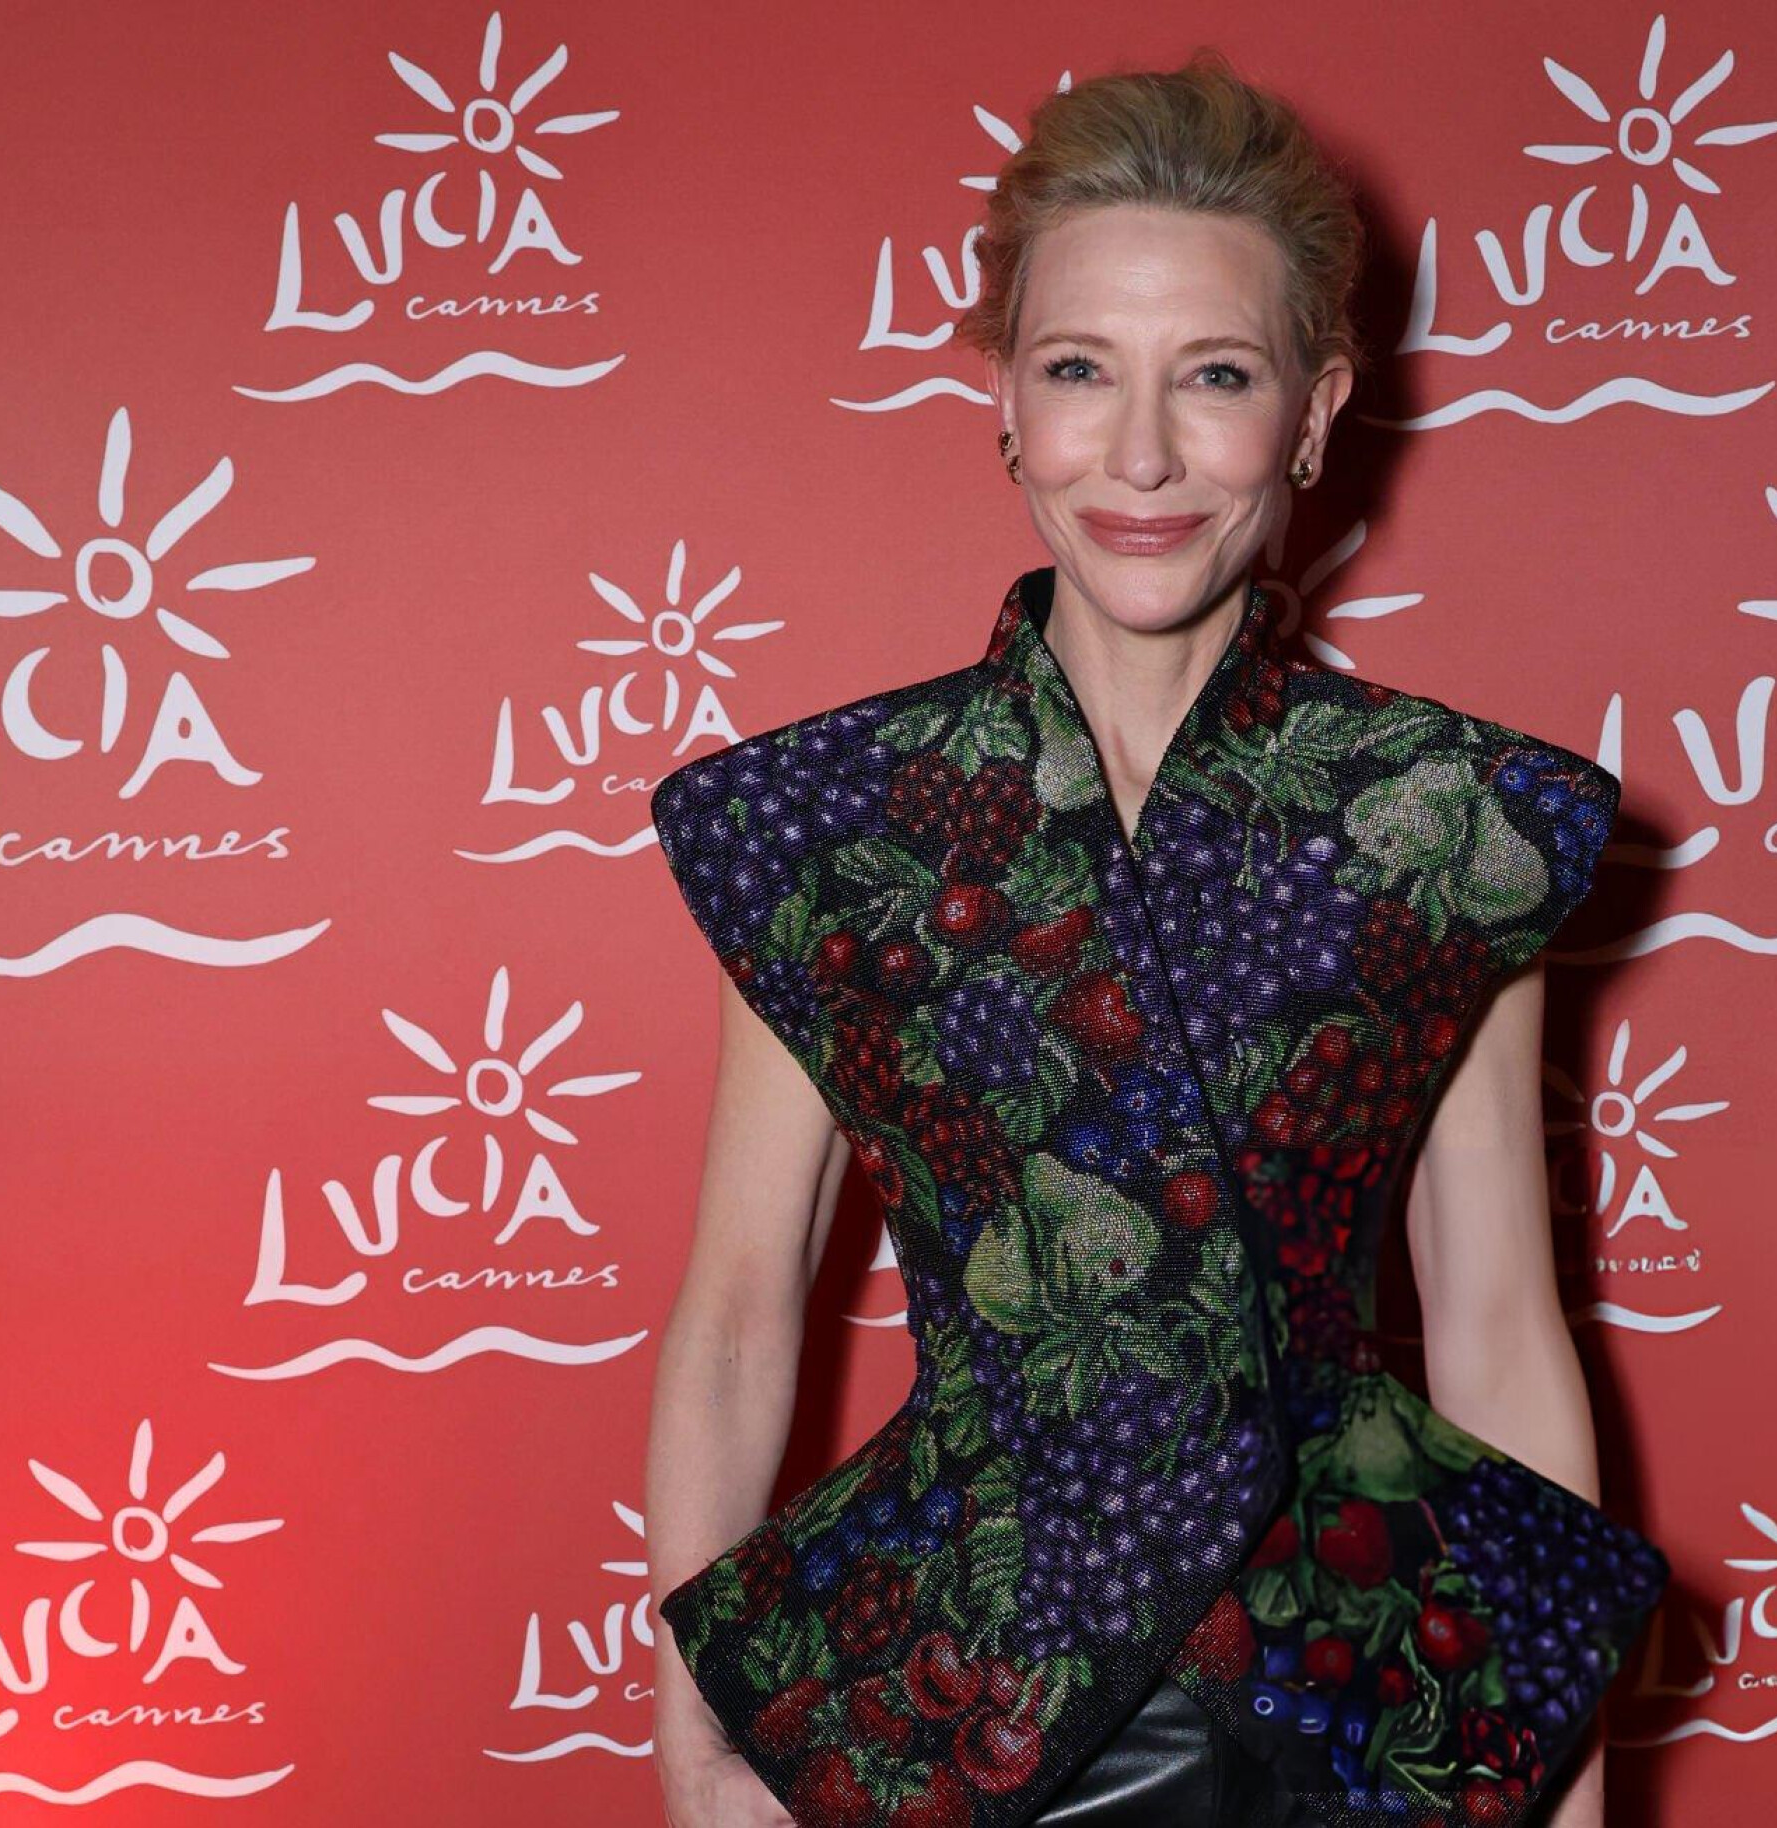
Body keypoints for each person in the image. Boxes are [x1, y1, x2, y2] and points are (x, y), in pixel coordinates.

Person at [644, 51, 1668, 1828]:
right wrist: (698, 1759)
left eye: (1214, 375)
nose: (1139, 455)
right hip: (968, 1711)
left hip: (1361, 1708)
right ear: (1004, 401)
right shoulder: (844, 824)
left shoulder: (1440, 825)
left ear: (1315, 413)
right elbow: (739, 1317)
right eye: (1077, 370)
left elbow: (1501, 1325)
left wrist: (1550, 1782)